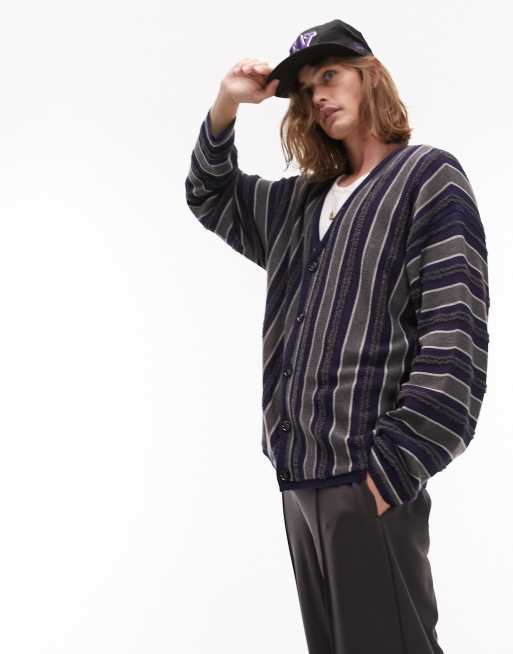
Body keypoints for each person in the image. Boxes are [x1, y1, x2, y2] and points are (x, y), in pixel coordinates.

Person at [185, 19, 489, 654]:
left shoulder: (426, 178)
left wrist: (391, 469)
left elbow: (455, 335)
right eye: (305, 89)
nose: (318, 96)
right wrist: (228, 102)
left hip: (368, 479)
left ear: (368, 76)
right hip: (300, 482)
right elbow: (208, 195)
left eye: (330, 75)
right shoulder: (301, 204)